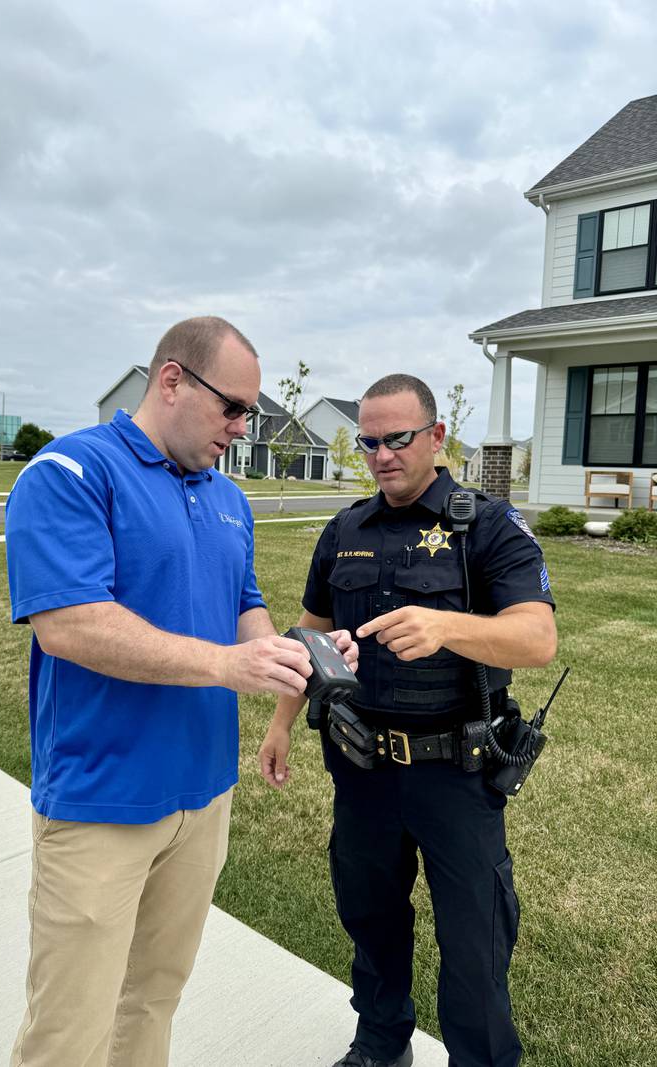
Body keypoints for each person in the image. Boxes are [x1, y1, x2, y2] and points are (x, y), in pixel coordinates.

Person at [4, 315, 357, 1067]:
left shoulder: (226, 498)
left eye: (250, 414)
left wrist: (303, 656)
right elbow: (70, 625)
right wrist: (226, 667)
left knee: (153, 1002)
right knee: (69, 1028)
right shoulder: (69, 472)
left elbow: (244, 611)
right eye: (233, 408)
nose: (242, 427)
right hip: (102, 799)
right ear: (171, 380)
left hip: (204, 796)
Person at [259, 373, 557, 1067]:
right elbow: (310, 630)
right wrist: (280, 722)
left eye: (398, 438)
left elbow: (537, 638)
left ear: (437, 435)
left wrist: (446, 626)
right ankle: (381, 1043)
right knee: (371, 920)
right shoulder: (346, 529)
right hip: (362, 768)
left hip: (455, 773)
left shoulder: (483, 525)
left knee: (475, 942)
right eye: (369, 441)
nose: (382, 454)